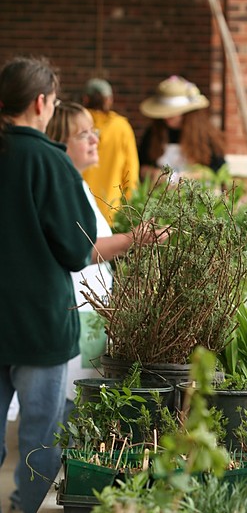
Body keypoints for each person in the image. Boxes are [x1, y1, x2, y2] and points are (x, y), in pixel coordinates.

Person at [0, 56, 97, 513]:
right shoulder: (49, 161)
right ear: (41, 103)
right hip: (40, 326)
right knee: (41, 450)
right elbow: (78, 250)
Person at [46, 101, 169, 411]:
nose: (94, 140)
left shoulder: (78, 186)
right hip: (78, 308)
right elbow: (83, 248)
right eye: (83, 134)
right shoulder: (63, 188)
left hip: (89, 309)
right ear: (60, 142)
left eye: (94, 131)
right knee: (71, 403)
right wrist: (134, 239)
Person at [138, 75, 225, 182]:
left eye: (172, 112)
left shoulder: (205, 135)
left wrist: (187, 177)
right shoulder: (154, 133)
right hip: (161, 195)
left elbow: (218, 171)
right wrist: (156, 175)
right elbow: (141, 165)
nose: (166, 116)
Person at [82, 78, 140, 226]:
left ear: (85, 98)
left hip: (79, 207)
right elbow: (130, 170)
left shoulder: (77, 124)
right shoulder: (122, 127)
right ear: (109, 100)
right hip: (112, 211)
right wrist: (130, 204)